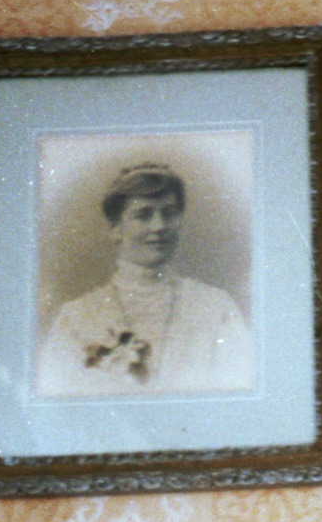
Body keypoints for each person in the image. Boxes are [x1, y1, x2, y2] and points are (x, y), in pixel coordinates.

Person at [34, 163, 253, 398]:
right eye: (143, 215)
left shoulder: (216, 307)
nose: (159, 226)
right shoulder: (76, 317)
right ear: (116, 229)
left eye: (169, 213)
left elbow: (238, 390)